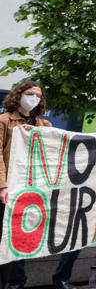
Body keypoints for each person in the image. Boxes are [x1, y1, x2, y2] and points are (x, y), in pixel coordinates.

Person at [0, 81, 83, 289]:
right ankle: (12, 282)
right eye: (29, 93)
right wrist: (2, 186)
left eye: (38, 95)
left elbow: (56, 150)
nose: (33, 98)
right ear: (18, 95)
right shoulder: (3, 121)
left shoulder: (45, 126)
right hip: (10, 190)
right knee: (8, 238)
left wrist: (39, 133)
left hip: (34, 190)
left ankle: (18, 281)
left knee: (23, 236)